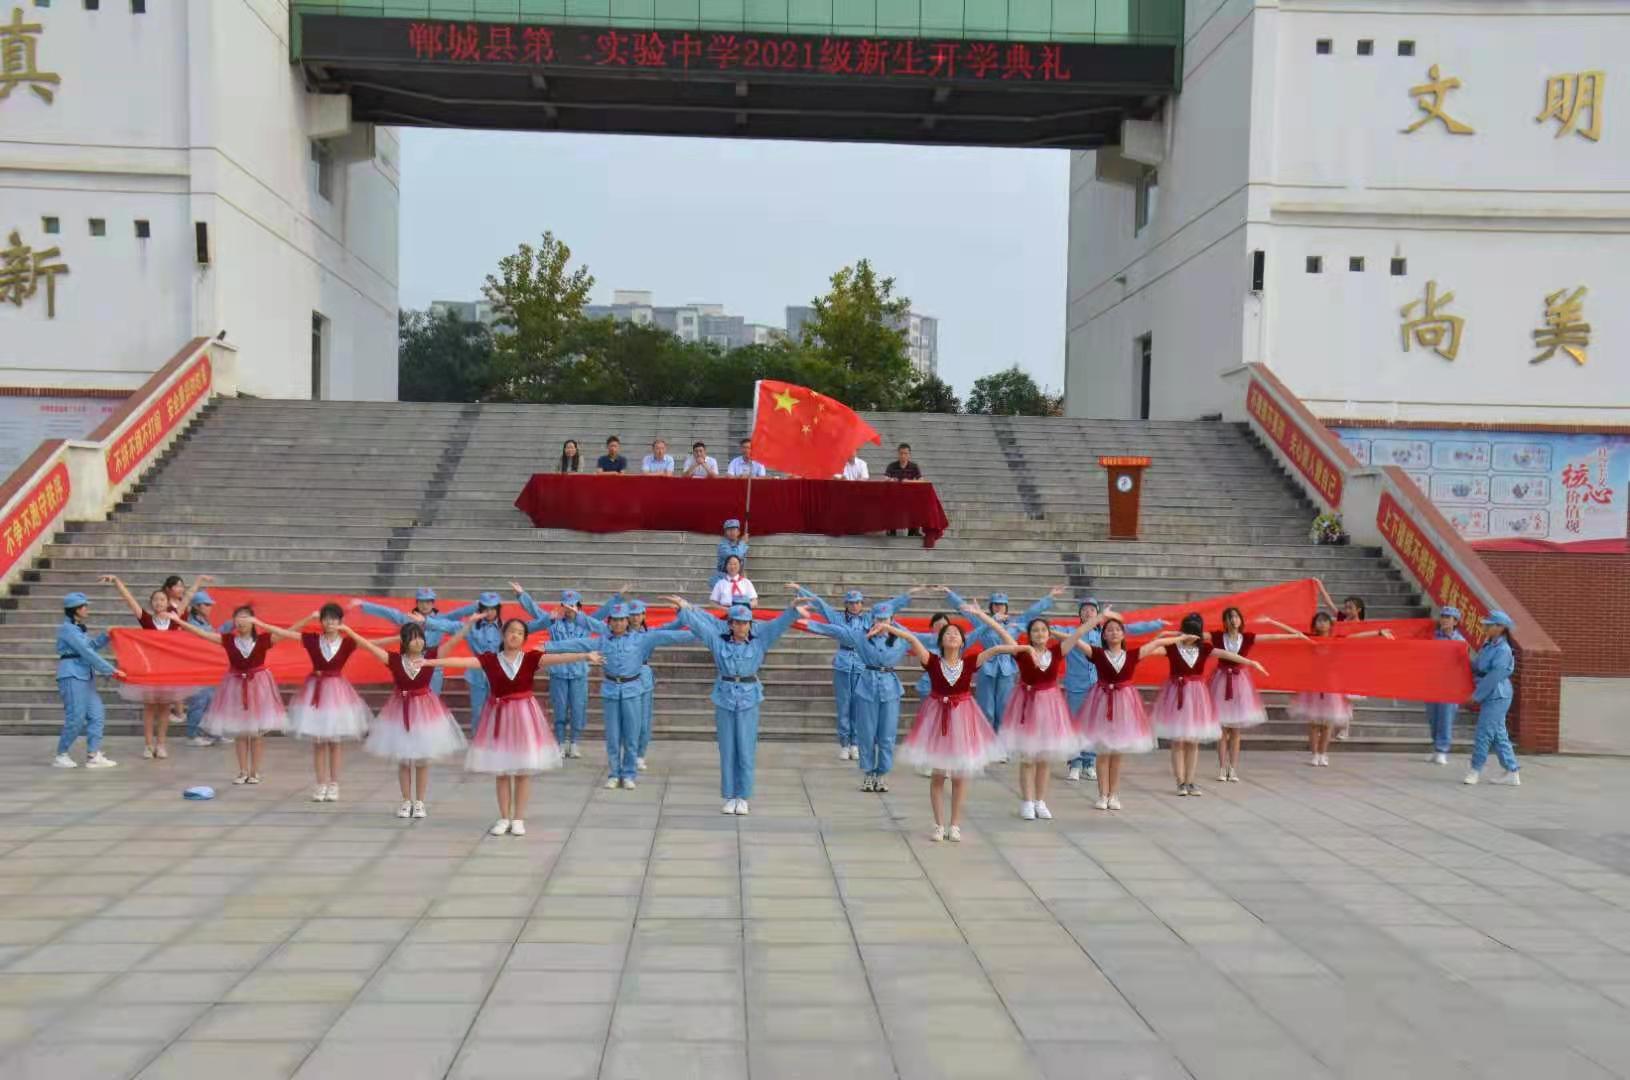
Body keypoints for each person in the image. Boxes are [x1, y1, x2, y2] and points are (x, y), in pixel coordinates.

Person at [424, 619, 603, 837]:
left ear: (524, 638)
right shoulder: (490, 660)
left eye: (519, 632)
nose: (515, 635)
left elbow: (559, 657)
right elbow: (462, 661)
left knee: (522, 771)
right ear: (503, 634)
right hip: (498, 717)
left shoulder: (530, 659)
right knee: (502, 771)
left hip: (524, 718)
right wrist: (429, 662)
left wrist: (585, 656)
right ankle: (504, 817)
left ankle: (518, 818)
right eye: (511, 631)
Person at [663, 596, 807, 815]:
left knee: (746, 748)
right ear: (730, 624)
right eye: (737, 623)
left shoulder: (760, 641)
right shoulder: (718, 642)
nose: (741, 627)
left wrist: (792, 610)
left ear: (750, 624)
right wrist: (684, 610)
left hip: (749, 698)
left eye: (745, 623)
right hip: (725, 696)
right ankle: (730, 795)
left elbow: (777, 625)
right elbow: (701, 628)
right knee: (727, 748)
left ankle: (743, 796)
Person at [546, 600, 693, 790]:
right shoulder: (603, 640)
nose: (618, 623)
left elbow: (672, 636)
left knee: (631, 736)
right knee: (613, 736)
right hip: (611, 691)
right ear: (609, 622)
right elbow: (578, 643)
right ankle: (614, 773)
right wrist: (548, 646)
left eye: (622, 619)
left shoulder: (642, 638)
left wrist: (702, 631)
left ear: (627, 621)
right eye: (614, 620)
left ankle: (629, 773)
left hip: (632, 690)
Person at [882, 614, 1003, 842]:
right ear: (940, 640)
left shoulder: (970, 662)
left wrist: (1020, 646)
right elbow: (911, 638)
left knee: (959, 776)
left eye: (956, 633)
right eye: (947, 633)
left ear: (963, 641)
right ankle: (938, 824)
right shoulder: (932, 661)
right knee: (938, 775)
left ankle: (954, 825)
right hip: (937, 719)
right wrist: (889, 627)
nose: (952, 636)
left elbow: (997, 649)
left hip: (963, 720)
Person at [971, 607, 1098, 821]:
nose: (1040, 634)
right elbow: (1000, 631)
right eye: (1035, 630)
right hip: (1027, 707)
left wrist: (1100, 618)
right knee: (1028, 758)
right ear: (1029, 634)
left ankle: (1040, 801)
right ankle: (1027, 801)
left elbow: (1079, 633)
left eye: (1043, 630)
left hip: (1050, 709)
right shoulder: (1021, 652)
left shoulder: (1057, 651)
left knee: (1044, 758)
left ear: (1049, 634)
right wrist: (981, 615)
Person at [346, 617, 474, 819]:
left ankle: (420, 802)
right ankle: (406, 800)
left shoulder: (431, 657)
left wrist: (468, 626)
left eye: (420, 637)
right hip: (400, 712)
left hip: (426, 713)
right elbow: (369, 646)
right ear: (404, 641)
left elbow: (453, 642)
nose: (418, 641)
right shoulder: (394, 660)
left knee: (422, 760)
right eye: (413, 638)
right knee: (404, 760)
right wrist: (348, 630)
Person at [173, 604, 299, 784]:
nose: (241, 621)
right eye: (238, 618)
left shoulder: (263, 640)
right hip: (236, 687)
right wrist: (179, 621)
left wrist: (309, 619)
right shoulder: (228, 640)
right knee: (241, 732)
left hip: (258, 687)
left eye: (245, 617)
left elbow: (288, 632)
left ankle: (255, 772)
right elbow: (202, 634)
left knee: (256, 733)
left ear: (253, 621)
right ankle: (242, 771)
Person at [1073, 619, 1190, 810]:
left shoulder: (1133, 654)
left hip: (1125, 706)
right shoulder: (1097, 653)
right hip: (1101, 704)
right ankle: (1102, 795)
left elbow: (1157, 643)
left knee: (1117, 753)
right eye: (1109, 630)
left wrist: (1181, 638)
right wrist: (1058, 631)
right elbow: (1075, 639)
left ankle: (1114, 795)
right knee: (1103, 751)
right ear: (1103, 635)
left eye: (1117, 629)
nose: (1114, 633)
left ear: (1123, 634)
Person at [1147, 613, 1267, 797]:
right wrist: (1162, 636)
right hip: (1176, 695)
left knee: (1193, 741)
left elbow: (1228, 655)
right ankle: (1180, 782)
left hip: (1197, 697)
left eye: (1195, 632)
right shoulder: (1171, 648)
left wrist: (1251, 662)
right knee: (1178, 741)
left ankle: (1190, 781)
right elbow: (1148, 650)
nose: (1191, 635)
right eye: (1188, 631)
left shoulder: (1205, 648)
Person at [793, 583, 917, 761]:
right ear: (846, 604)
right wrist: (799, 589)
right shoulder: (838, 618)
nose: (854, 605)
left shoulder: (869, 619)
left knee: (859, 706)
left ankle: (856, 743)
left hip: (862, 664)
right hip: (843, 664)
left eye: (858, 602)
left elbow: (889, 606)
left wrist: (907, 595)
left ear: (862, 604)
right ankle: (844, 743)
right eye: (851, 602)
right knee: (843, 705)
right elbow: (820, 604)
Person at [805, 609, 913, 793]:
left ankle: (882, 774)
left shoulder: (900, 639)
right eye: (878, 619)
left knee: (887, 736)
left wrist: (895, 629)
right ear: (872, 620)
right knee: (867, 734)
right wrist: (805, 622)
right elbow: (837, 631)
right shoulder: (862, 637)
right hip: (868, 687)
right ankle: (868, 773)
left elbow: (920, 639)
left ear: (892, 620)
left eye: (885, 619)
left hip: (890, 688)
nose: (881, 622)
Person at [949, 587, 1063, 753]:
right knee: (986, 708)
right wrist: (949, 593)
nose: (999, 607)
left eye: (1002, 605)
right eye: (995, 605)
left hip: (1007, 668)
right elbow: (965, 610)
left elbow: (1032, 613)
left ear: (1006, 607)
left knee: (1004, 708)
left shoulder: (1014, 624)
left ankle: (1002, 747)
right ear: (991, 607)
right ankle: (986, 746)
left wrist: (1049, 597)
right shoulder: (983, 622)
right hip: (987, 666)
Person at [1063, 599, 1165, 783]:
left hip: (1100, 688)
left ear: (1098, 613)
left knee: (1096, 727)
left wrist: (1157, 624)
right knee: (1076, 725)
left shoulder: (1105, 633)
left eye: (1092, 610)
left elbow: (1131, 628)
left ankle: (1089, 763)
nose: (1088, 612)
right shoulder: (1072, 632)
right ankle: (1075, 764)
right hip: (1077, 686)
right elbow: (1050, 631)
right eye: (1084, 610)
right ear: (1079, 614)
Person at [286, 602, 375, 803]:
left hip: (337, 694)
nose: (330, 622)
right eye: (326, 619)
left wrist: (349, 631)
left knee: (335, 742)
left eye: (334, 619)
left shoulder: (347, 642)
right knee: (318, 742)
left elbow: (373, 644)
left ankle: (334, 784)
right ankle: (320, 784)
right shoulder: (312, 640)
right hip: (315, 692)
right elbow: (285, 633)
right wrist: (308, 618)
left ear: (340, 621)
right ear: (321, 621)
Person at [1210, 607, 1306, 781]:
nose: (1233, 620)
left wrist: (1275, 624)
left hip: (1240, 683)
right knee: (1222, 730)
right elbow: (1194, 635)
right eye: (1230, 617)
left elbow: (1274, 637)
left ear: (1241, 620)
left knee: (1236, 731)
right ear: (1224, 621)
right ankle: (1222, 768)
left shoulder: (1247, 638)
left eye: (1236, 617)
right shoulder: (1217, 636)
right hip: (1221, 682)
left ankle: (1233, 768)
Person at [101, 574, 186, 760]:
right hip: (149, 669)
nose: (159, 602)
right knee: (149, 707)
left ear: (168, 602)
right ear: (151, 603)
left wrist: (200, 581)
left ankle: (161, 744)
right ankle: (148, 745)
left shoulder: (174, 619)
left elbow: (188, 598)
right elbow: (129, 600)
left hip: (168, 670)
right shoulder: (147, 620)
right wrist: (117, 581)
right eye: (155, 600)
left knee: (164, 707)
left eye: (162, 599)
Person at [516, 584, 607, 756]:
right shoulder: (554, 622)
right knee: (560, 709)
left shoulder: (586, 623)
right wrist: (522, 595)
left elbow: (604, 612)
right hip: (559, 673)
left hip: (579, 673)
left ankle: (574, 743)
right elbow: (535, 611)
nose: (569, 609)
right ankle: (559, 743)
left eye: (572, 605)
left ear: (579, 607)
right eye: (565, 606)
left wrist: (618, 597)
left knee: (578, 709)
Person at [1290, 611, 1391, 766]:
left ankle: (1323, 754)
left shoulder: (1336, 640)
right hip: (1313, 684)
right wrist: (1271, 622)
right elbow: (1290, 633)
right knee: (1313, 723)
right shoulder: (1309, 638)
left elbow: (1355, 637)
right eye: (1318, 621)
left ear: (1330, 625)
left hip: (1331, 684)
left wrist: (1378, 632)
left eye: (1324, 621)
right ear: (1314, 625)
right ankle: (1314, 754)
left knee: (1328, 722)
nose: (1321, 624)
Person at [52, 591, 126, 769]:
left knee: (97, 714)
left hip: (85, 676)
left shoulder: (77, 628)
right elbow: (86, 652)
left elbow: (89, 647)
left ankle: (93, 755)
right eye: (84, 606)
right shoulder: (68, 629)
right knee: (76, 718)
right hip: (72, 675)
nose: (87, 609)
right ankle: (61, 754)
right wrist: (111, 670)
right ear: (75, 609)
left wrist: (106, 635)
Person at [438, 589, 509, 733]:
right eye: (486, 608)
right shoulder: (471, 627)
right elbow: (445, 623)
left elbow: (531, 626)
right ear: (480, 609)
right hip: (477, 675)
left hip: (500, 675)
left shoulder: (507, 627)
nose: (490, 612)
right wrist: (425, 621)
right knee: (478, 711)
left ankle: (497, 740)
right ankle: (478, 740)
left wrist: (522, 596)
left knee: (499, 711)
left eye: (493, 608)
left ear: (498, 609)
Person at [357, 587, 451, 696]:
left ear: (433, 603)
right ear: (417, 603)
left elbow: (459, 616)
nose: (425, 605)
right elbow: (389, 613)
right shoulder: (408, 619)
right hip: (409, 663)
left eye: (428, 602)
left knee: (431, 698)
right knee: (406, 695)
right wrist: (364, 605)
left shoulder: (441, 620)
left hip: (432, 664)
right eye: (421, 602)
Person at [1463, 611, 1521, 787]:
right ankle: (1512, 771)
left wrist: (1476, 696)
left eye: (1489, 625)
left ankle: (1475, 770)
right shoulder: (1488, 645)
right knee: (1498, 734)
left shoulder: (1503, 650)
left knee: (1484, 733)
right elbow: (1478, 666)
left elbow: (1494, 676)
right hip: (1490, 692)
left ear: (1501, 628)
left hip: (1497, 694)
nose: (1485, 627)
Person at [182, 589, 230, 747]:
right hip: (197, 667)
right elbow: (205, 639)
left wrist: (230, 624)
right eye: (206, 604)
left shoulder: (204, 622)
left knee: (213, 702)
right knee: (198, 702)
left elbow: (214, 636)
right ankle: (192, 735)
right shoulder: (191, 623)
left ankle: (213, 733)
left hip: (210, 667)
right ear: (197, 606)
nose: (210, 607)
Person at [1424, 606, 1466, 766]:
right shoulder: (1432, 637)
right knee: (1433, 718)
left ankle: (1442, 750)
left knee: (1445, 718)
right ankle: (1436, 747)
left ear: (1455, 621)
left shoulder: (1460, 641)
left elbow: (1462, 665)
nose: (1444, 620)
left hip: (1449, 686)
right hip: (1432, 684)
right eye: (1442, 616)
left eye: (1448, 617)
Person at [884, 443, 923, 537]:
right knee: (888, 503)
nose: (903, 456)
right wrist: (891, 479)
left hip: (910, 496)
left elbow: (921, 480)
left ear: (909, 455)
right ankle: (891, 530)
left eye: (905, 453)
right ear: (898, 454)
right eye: (901, 453)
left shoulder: (914, 466)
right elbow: (885, 478)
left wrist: (909, 481)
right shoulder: (892, 466)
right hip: (895, 495)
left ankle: (913, 531)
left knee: (918, 504)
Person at [712, 519, 749, 586]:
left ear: (738, 532)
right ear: (725, 533)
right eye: (729, 530)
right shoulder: (722, 546)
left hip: (737, 578)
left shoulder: (740, 545)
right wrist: (743, 543)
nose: (732, 532)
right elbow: (734, 556)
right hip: (723, 580)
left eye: (734, 529)